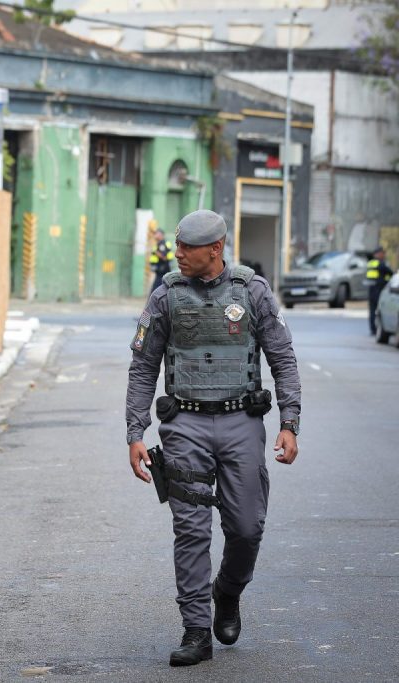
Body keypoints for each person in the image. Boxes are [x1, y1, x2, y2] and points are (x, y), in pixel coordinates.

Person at [125, 209, 301, 667]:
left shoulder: (252, 292)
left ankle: (227, 591)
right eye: (177, 245)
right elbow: (144, 366)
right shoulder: (167, 294)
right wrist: (134, 430)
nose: (177, 253)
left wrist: (289, 422)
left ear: (215, 250)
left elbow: (283, 360)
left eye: (187, 248)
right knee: (190, 528)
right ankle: (196, 630)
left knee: (246, 528)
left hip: (241, 422)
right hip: (184, 424)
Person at [366, 246, 394, 335]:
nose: (383, 255)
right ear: (378, 254)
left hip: (371, 290)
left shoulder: (370, 263)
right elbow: (391, 273)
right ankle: (379, 330)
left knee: (372, 311)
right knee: (380, 310)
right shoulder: (381, 264)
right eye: (382, 253)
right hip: (378, 290)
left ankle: (373, 329)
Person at [149, 227, 175, 294]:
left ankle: (153, 302)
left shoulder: (162, 244)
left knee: (156, 288)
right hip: (161, 270)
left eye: (156, 233)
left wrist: (155, 252)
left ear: (161, 235)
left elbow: (164, 257)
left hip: (162, 270)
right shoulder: (161, 243)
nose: (155, 235)